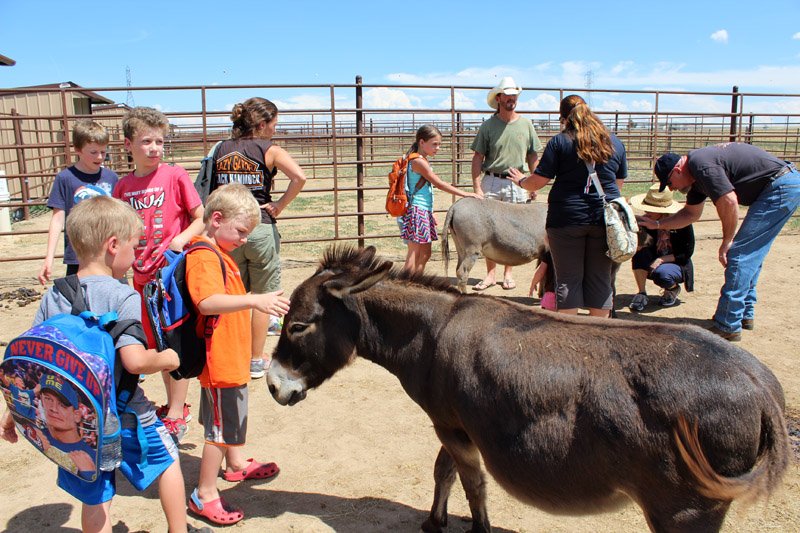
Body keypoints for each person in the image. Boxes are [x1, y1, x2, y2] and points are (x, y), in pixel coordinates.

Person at [0, 196, 209, 533]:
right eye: (134, 245)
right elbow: (134, 360)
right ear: (113, 245)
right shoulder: (121, 295)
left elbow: (35, 363)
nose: (136, 253)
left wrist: (14, 414)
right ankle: (178, 530)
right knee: (167, 460)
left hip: (80, 418)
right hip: (125, 411)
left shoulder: (54, 294)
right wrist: (169, 358)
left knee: (95, 494)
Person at [184, 183, 290, 526]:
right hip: (220, 362)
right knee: (219, 430)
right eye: (241, 231)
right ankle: (205, 493)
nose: (245, 239)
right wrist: (254, 299)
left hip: (229, 358)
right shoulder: (203, 256)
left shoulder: (218, 252)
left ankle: (235, 465)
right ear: (216, 219)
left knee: (226, 423)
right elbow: (207, 302)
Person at [113, 107, 205, 442]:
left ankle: (177, 411)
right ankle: (165, 404)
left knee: (172, 339)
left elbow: (201, 216)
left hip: (169, 277)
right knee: (149, 341)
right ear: (128, 145)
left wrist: (181, 240)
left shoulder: (175, 176)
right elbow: (119, 229)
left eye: (159, 141)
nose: (154, 148)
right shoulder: (122, 187)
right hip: (140, 277)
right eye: (146, 141)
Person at [644, 143, 799, 341]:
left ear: (677, 170)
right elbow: (690, 214)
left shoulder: (701, 165)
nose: (672, 189)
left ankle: (728, 324)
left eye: (670, 183)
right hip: (780, 185)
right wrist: (657, 224)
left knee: (739, 254)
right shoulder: (697, 178)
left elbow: (729, 201)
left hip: (779, 187)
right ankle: (743, 314)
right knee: (750, 254)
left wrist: (727, 242)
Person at [209, 97, 306, 379]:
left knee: (230, 294)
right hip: (259, 226)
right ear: (262, 124)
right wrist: (279, 206)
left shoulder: (220, 149)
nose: (275, 130)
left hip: (227, 229)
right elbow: (299, 177)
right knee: (262, 297)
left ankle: (229, 353)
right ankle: (254, 359)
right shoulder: (270, 150)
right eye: (273, 124)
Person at [509, 94, 627, 317]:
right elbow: (617, 186)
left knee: (568, 279)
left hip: (566, 220)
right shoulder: (614, 143)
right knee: (601, 278)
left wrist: (522, 181)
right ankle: (598, 334)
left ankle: (569, 336)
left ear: (563, 117)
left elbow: (539, 181)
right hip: (604, 220)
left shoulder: (560, 141)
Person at [470, 77, 542, 291]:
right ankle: (490, 274)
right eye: (507, 95)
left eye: (514, 95)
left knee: (512, 228)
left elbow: (532, 155)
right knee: (488, 229)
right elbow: (477, 157)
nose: (512, 99)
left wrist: (533, 182)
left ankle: (507, 273)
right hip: (492, 180)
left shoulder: (526, 124)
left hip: (517, 181)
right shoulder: (488, 126)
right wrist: (476, 186)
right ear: (499, 98)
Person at [39, 120, 118, 285]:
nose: (99, 157)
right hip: (78, 254)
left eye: (103, 152)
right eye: (93, 152)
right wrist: (49, 257)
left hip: (107, 253)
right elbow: (58, 218)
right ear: (78, 150)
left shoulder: (111, 177)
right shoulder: (65, 178)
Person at [400, 125, 480, 275]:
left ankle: (416, 282)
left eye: (439, 144)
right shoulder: (418, 162)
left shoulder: (420, 160)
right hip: (417, 210)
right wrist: (465, 194)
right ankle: (406, 285)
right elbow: (438, 183)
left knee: (424, 253)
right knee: (414, 253)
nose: (438, 148)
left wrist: (430, 211)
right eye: (434, 144)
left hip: (422, 210)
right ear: (422, 142)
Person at [628, 184, 695, 311]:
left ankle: (672, 288)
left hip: (675, 262)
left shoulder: (682, 223)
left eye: (650, 209)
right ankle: (641, 292)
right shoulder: (647, 221)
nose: (646, 211)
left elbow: (686, 253)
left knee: (662, 274)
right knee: (639, 255)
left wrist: (661, 260)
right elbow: (640, 245)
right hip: (653, 256)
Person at [36, 374, 96, 479]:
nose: (53, 408)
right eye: (48, 399)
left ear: (76, 415)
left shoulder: (89, 456)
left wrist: (89, 472)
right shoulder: (37, 433)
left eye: (62, 405)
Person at [528, 240, 556, 311]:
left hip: (552, 293)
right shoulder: (575, 253)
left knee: (549, 318)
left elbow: (540, 272)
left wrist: (533, 284)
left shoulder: (549, 253)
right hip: (571, 294)